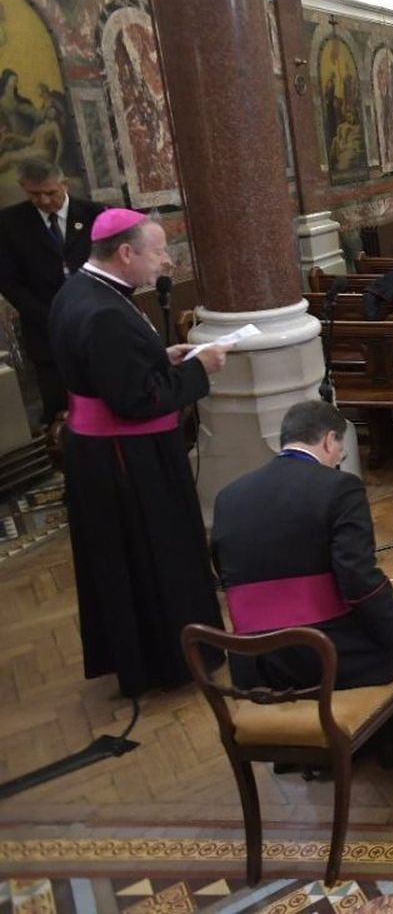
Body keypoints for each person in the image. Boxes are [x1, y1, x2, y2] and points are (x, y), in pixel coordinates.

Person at [212, 400, 393, 771]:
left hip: (258, 661)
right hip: (319, 652)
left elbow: (225, 571)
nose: (338, 460)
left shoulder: (229, 496)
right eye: (340, 451)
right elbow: (357, 581)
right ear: (330, 440)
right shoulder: (340, 488)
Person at [48, 209, 229, 696]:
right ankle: (169, 662)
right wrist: (199, 371)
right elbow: (137, 401)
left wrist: (159, 358)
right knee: (156, 553)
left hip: (104, 454)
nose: (164, 262)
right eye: (157, 252)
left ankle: (147, 655)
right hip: (128, 460)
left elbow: (112, 372)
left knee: (128, 559)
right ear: (125, 253)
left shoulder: (80, 291)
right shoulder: (104, 310)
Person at [0, 155, 106, 423]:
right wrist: (50, 316)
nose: (45, 201)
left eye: (50, 192)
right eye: (35, 194)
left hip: (96, 322)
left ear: (64, 184)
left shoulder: (95, 214)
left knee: (104, 392)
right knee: (60, 408)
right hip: (44, 329)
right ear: (24, 188)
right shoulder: (9, 222)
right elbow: (9, 282)